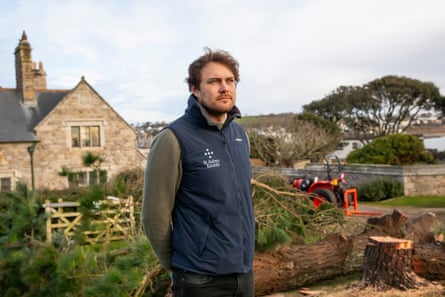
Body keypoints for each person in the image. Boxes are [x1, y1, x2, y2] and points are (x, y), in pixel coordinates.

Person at [141, 48, 255, 297]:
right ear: (194, 88)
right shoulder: (173, 139)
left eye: (230, 81)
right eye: (214, 81)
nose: (224, 88)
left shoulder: (239, 136)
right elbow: (154, 216)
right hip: (200, 279)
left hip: (244, 274)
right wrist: (180, 266)